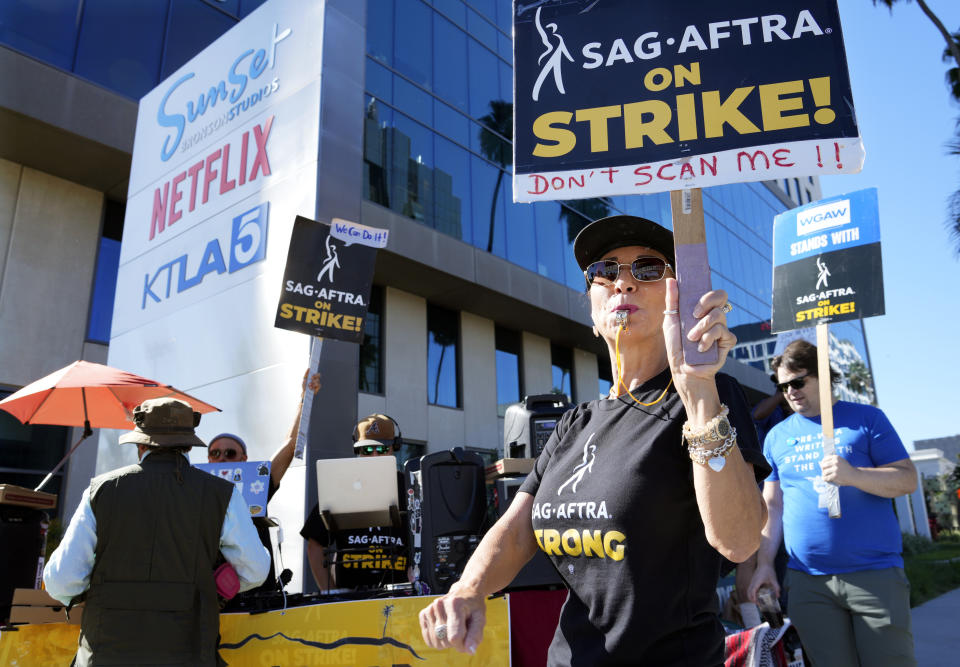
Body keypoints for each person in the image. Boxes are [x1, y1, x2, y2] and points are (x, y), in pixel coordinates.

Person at [419, 215, 769, 665]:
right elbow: (517, 531)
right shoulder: (573, 424)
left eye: (647, 269)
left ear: (677, 299)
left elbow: (739, 541)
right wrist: (468, 590)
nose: (623, 282)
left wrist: (699, 392)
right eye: (605, 271)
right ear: (591, 308)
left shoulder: (707, 398)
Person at [43, 398, 270, 667]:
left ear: (140, 444)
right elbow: (255, 570)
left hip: (104, 655)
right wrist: (214, 586)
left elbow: (62, 580)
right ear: (188, 444)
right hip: (188, 655)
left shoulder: (101, 490)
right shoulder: (223, 494)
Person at [747, 340, 918, 666]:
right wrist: (765, 563)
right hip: (807, 581)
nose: (790, 392)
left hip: (874, 575)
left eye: (798, 382)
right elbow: (773, 507)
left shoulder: (867, 420)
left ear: (822, 376)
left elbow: (907, 479)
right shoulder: (777, 437)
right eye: (782, 386)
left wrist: (853, 475)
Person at [207, 370, 319, 596]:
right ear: (208, 458)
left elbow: (290, 445)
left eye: (230, 453)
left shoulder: (253, 485)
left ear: (244, 459)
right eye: (215, 453)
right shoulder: (195, 488)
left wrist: (304, 398)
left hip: (259, 596)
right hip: (212, 596)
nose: (222, 458)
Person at [301, 413, 411, 592]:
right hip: (350, 598)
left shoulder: (410, 488)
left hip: (401, 595)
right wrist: (330, 590)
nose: (374, 455)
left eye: (382, 449)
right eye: (366, 450)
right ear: (357, 451)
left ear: (394, 448)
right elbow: (315, 543)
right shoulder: (340, 487)